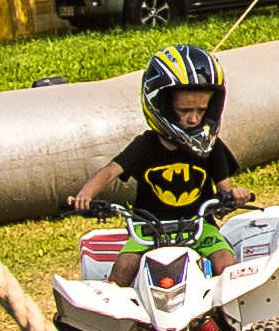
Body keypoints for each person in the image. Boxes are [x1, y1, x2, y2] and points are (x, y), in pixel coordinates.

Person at [70, 42, 239, 247]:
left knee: (224, 259)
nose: (194, 119)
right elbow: (110, 171)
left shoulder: (212, 147)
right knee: (125, 264)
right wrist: (85, 195)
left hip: (199, 227)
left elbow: (225, 191)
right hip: (149, 228)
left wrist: (234, 196)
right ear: (161, 105)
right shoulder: (145, 145)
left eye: (201, 110)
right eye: (184, 110)